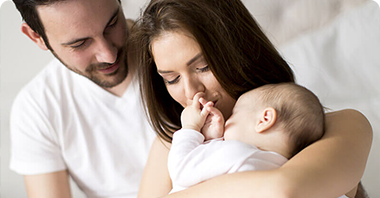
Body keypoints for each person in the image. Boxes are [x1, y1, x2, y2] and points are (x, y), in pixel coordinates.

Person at [131, 0, 372, 197]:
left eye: (203, 67)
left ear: (237, 52)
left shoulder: (342, 125)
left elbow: (282, 190)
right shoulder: (171, 144)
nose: (191, 91)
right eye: (172, 79)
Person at [10, 0, 155, 197]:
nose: (108, 55)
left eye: (111, 24)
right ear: (37, 36)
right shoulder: (37, 107)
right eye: (80, 44)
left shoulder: (183, 55)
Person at [169, 83, 328, 194]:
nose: (228, 121)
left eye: (234, 114)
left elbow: (182, 169)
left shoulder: (236, 152)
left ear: (264, 119)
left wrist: (190, 128)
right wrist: (212, 139)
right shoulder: (280, 166)